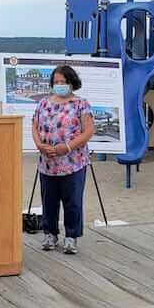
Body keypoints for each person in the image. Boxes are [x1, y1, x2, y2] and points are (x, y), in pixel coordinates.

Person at [32, 65, 94, 255]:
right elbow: (34, 126)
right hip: (47, 162)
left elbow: (89, 131)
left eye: (63, 82)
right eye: (56, 82)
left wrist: (67, 147)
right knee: (48, 200)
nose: (59, 85)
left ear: (71, 83)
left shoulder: (81, 104)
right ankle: (50, 234)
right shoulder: (43, 103)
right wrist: (40, 145)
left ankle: (71, 237)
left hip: (73, 162)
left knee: (72, 201)